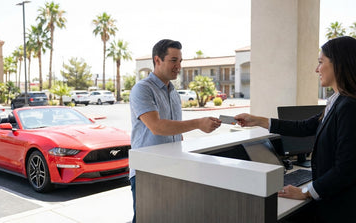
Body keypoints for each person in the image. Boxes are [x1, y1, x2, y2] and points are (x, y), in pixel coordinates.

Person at [235, 36, 356, 223]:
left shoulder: (349, 106)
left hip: (341, 209)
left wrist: (306, 191)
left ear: (338, 64)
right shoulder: (337, 101)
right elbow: (305, 127)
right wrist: (258, 120)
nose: (317, 69)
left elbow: (347, 168)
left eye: (320, 62)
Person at [129, 39, 222, 223]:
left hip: (172, 168)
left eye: (180, 61)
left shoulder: (173, 92)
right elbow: (157, 127)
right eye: (173, 60)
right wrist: (198, 123)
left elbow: (176, 132)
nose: (178, 66)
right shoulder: (142, 89)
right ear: (157, 60)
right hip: (147, 171)